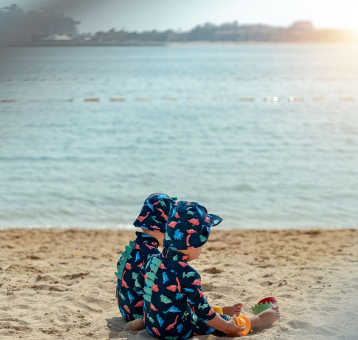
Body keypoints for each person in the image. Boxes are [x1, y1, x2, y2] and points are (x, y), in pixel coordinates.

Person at [134, 201, 280, 339]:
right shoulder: (188, 274)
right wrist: (227, 327)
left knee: (184, 301)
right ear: (194, 243)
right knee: (220, 320)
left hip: (151, 326)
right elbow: (203, 313)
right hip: (175, 331)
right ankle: (257, 320)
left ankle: (219, 309)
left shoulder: (152, 260)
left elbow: (139, 289)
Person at [115, 193, 176, 322]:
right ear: (161, 229)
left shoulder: (135, 247)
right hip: (140, 313)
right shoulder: (152, 254)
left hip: (125, 310)